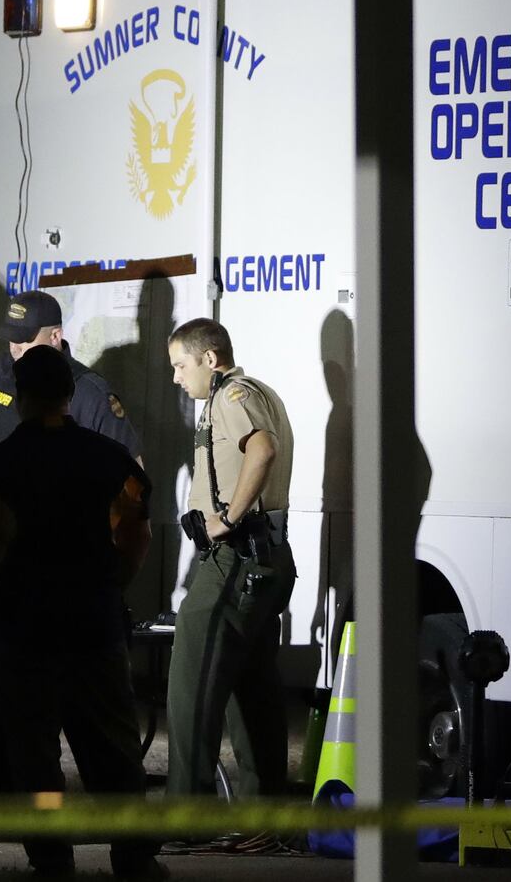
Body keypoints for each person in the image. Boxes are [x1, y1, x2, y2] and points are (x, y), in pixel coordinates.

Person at [0, 287, 143, 793]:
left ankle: (47, 849)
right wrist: (112, 582)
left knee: (33, 743)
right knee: (105, 738)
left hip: (23, 615)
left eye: (23, 345)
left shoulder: (0, 462)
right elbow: (135, 522)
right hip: (87, 611)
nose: (13, 354)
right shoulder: (98, 456)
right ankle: (131, 854)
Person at [0, 346, 162, 879]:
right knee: (113, 753)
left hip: (23, 628)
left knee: (36, 758)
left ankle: (52, 862)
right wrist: (113, 583)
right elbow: (137, 533)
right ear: (70, 394)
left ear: (17, 397)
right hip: (92, 623)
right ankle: (134, 860)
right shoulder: (108, 459)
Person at [164, 318, 297, 800]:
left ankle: (187, 813)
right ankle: (266, 814)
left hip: (235, 560)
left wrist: (225, 519)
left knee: (190, 686)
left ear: (210, 359)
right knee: (251, 691)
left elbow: (262, 450)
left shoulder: (231, 397)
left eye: (181, 365)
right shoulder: (258, 392)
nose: (177, 377)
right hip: (265, 560)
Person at [0, 289, 141, 460]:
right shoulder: (4, 369)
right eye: (11, 337)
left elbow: (129, 469)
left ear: (55, 336)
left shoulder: (89, 391)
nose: (15, 347)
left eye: (24, 339)